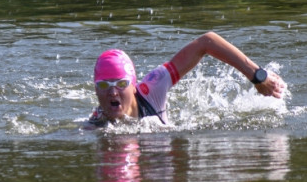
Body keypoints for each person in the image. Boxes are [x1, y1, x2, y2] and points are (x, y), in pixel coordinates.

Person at [86, 31, 286, 127]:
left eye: (121, 84)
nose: (112, 92)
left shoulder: (152, 87)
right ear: (95, 90)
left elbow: (206, 42)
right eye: (104, 85)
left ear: (134, 87)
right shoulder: (96, 124)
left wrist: (256, 75)